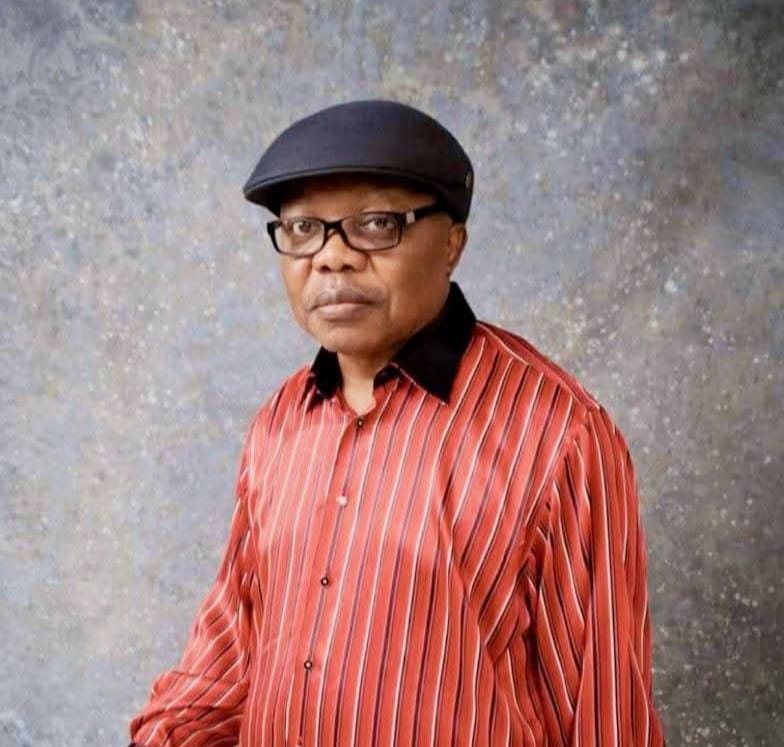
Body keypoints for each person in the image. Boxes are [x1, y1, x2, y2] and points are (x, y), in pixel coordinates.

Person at [128, 99, 667, 747]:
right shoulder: (279, 424)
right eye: (302, 228)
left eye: (377, 224)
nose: (331, 258)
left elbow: (604, 714)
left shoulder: (558, 435)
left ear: (452, 244)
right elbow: (225, 665)